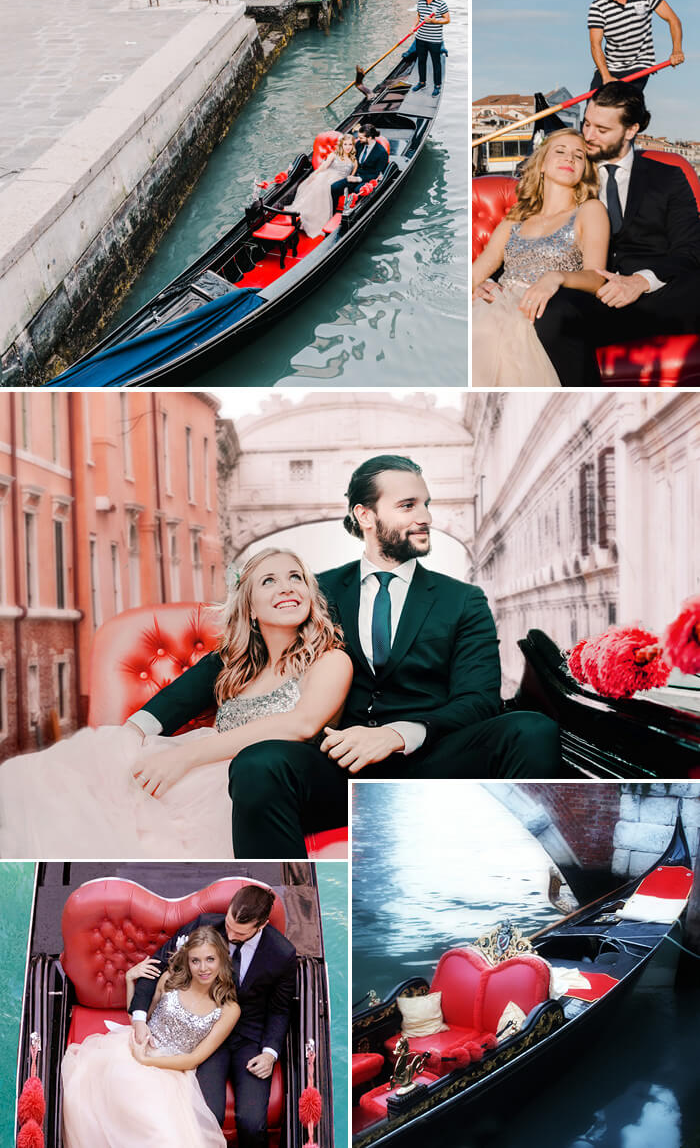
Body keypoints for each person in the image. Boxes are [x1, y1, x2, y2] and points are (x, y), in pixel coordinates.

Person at [0, 550, 352, 860]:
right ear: (250, 608)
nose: (287, 587)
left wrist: (184, 757)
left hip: (255, 785)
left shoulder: (330, 659)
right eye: (269, 581)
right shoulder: (236, 667)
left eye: (295, 577)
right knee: (47, 777)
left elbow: (302, 724)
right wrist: (126, 740)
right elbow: (176, 699)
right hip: (206, 770)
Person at [317, 455, 561, 778]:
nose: (426, 517)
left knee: (531, 729)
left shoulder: (464, 601)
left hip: (431, 759)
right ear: (365, 515)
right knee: (261, 762)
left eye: (426, 504)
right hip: (339, 762)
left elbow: (478, 701)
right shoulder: (319, 592)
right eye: (408, 506)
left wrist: (397, 735)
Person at [533, 82, 700, 385]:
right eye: (586, 123)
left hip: (659, 299)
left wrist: (640, 282)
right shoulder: (568, 171)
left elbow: (689, 251)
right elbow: (530, 228)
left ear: (631, 130)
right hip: (594, 301)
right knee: (553, 310)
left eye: (602, 129)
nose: (589, 136)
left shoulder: (668, 178)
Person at [129, 885, 296, 1148]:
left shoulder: (282, 953)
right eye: (228, 925)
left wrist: (269, 1052)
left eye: (239, 933)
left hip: (248, 1039)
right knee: (208, 1114)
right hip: (204, 1036)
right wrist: (139, 1018)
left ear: (261, 925)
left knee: (252, 1122)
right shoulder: (205, 926)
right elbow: (157, 965)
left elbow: (280, 1008)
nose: (229, 935)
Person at [62, 927, 240, 1148]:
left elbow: (194, 1058)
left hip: (173, 1070)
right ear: (188, 961)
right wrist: (129, 980)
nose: (203, 968)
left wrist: (146, 1061)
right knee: (109, 1091)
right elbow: (139, 1019)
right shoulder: (170, 979)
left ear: (222, 959)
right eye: (195, 961)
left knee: (163, 1135)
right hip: (133, 1051)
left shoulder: (229, 1009)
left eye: (210, 959)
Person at [471, 130, 610, 387]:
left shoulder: (590, 210)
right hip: (498, 304)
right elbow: (481, 267)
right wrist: (475, 288)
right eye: (560, 151)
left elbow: (596, 278)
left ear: (585, 170)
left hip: (543, 309)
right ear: (542, 164)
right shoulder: (517, 216)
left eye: (579, 155)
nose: (569, 157)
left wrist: (556, 278)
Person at [588, 0, 684, 97]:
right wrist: (606, 76)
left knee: (622, 106)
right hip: (609, 68)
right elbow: (595, 44)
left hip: (639, 66)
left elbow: (673, 20)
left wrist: (677, 50)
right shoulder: (598, 6)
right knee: (593, 108)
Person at [287, 133, 357, 236]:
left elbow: (351, 176)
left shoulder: (354, 160)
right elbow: (324, 167)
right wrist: (314, 175)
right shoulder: (334, 155)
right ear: (341, 145)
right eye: (345, 144)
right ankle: (305, 218)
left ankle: (316, 220)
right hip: (327, 176)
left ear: (353, 146)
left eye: (350, 144)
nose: (347, 147)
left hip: (339, 181)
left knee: (326, 189)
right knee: (318, 186)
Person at [330, 121, 389, 211]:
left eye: (361, 138)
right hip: (353, 175)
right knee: (334, 187)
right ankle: (333, 211)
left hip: (366, 179)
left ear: (369, 137)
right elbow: (350, 159)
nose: (358, 139)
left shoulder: (382, 153)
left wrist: (359, 179)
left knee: (358, 190)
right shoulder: (359, 145)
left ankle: (352, 214)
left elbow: (376, 174)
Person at [413, 0, 450, 97]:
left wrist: (434, 21)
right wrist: (413, 27)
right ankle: (422, 82)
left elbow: (447, 20)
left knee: (436, 63)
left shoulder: (441, 4)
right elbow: (418, 17)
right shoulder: (420, 2)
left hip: (434, 40)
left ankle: (437, 86)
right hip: (421, 38)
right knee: (421, 61)